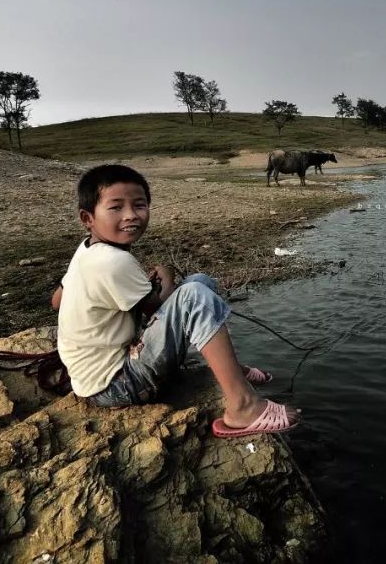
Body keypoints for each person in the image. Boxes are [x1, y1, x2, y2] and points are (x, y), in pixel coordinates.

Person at [51, 164, 300, 437]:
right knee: (194, 295)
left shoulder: (86, 251)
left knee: (199, 281)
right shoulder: (113, 260)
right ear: (88, 218)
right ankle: (242, 406)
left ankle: (231, 368)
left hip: (92, 380)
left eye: (139, 205)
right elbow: (158, 308)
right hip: (118, 385)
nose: (131, 216)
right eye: (116, 208)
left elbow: (57, 301)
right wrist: (166, 278)